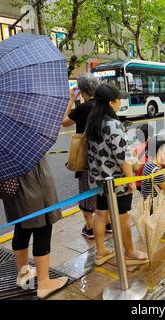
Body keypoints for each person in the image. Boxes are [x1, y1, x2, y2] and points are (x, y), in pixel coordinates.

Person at [86, 83, 149, 266]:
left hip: (99, 180)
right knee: (122, 216)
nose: (120, 102)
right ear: (111, 103)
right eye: (118, 99)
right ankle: (130, 252)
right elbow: (122, 158)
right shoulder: (114, 125)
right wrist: (130, 181)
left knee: (101, 213)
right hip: (117, 181)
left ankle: (100, 252)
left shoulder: (93, 122)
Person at [3, 157, 68, 298]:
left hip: (13, 188)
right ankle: (44, 283)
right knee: (42, 228)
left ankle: (23, 274)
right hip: (34, 185)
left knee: (21, 228)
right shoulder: (26, 137)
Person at [61, 74, 112, 238]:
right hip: (103, 156)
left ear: (82, 91)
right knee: (104, 190)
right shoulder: (103, 105)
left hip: (86, 157)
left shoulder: (83, 108)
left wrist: (70, 99)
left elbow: (64, 122)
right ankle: (109, 223)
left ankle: (90, 227)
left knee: (86, 191)